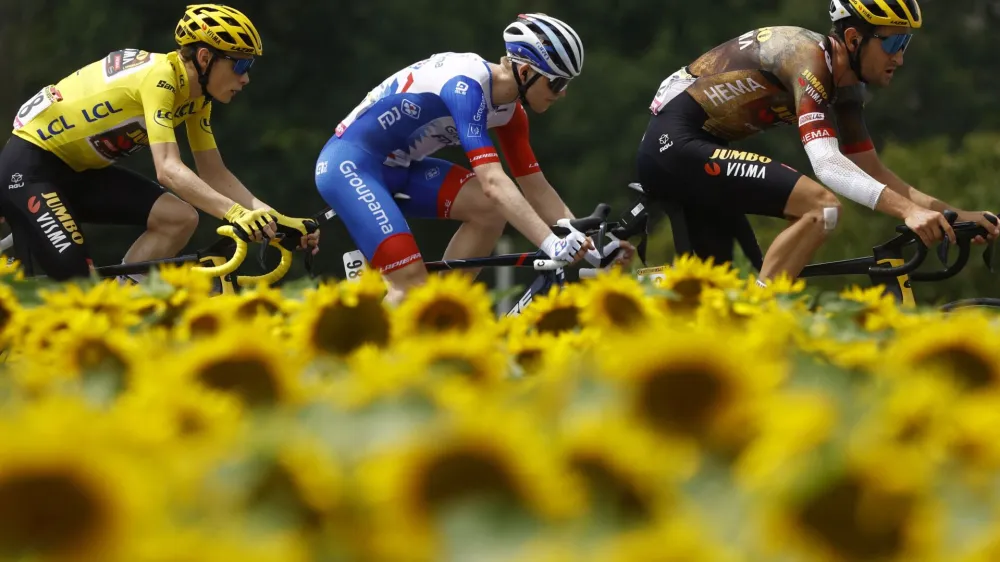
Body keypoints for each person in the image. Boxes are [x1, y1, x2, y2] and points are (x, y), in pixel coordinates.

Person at [634, 0, 998, 282]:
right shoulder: (808, 58)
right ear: (854, 39)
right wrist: (908, 212)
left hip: (694, 155)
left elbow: (871, 170)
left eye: (907, 43)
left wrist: (953, 216)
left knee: (736, 285)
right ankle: (765, 321)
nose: (900, 58)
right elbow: (826, 164)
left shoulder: (846, 87)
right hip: (674, 147)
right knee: (821, 208)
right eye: (895, 42)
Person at [315, 13, 631, 303]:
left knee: (489, 210)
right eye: (557, 82)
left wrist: (594, 246)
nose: (562, 93)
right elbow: (493, 181)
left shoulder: (511, 112)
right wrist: (552, 244)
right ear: (525, 72)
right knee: (410, 286)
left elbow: (536, 189)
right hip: (350, 165)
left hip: (397, 168)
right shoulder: (465, 87)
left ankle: (445, 311)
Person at [0, 4, 318, 282]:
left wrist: (277, 221)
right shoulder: (160, 78)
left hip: (78, 171)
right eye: (240, 65)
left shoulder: (197, 98)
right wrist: (235, 213)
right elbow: (167, 169)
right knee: (81, 284)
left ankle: (124, 302)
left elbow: (214, 174)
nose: (246, 78)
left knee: (179, 218)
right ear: (205, 58)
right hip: (31, 168)